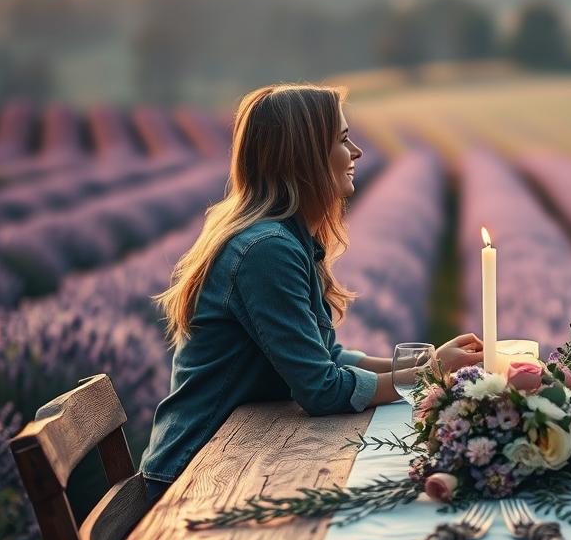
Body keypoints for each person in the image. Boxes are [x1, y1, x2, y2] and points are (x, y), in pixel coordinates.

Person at [141, 84, 482, 503]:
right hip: (192, 474)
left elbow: (327, 358)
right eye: (342, 140)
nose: (356, 152)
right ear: (304, 155)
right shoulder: (266, 250)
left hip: (233, 458)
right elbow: (321, 389)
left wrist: (430, 362)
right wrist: (428, 375)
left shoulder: (284, 238)